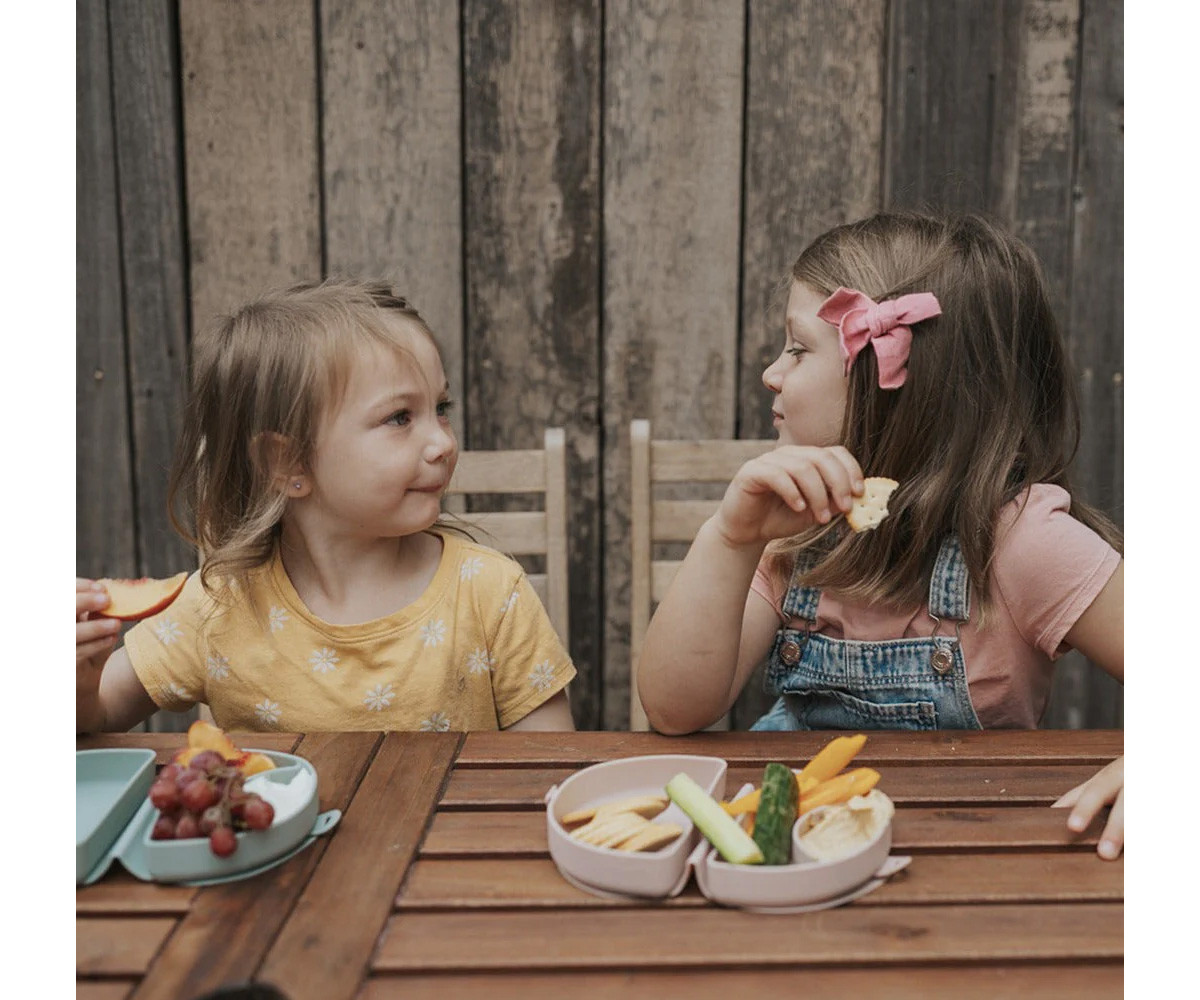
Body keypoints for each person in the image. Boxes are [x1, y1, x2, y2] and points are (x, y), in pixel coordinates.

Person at [636, 211, 1123, 859]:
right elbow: (674, 709)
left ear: (888, 381)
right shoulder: (794, 527)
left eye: (798, 348)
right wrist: (731, 540)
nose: (771, 375)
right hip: (796, 863)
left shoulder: (1020, 541)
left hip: (970, 872)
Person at [77, 278, 576, 734]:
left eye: (440, 409)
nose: (442, 442)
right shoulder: (218, 607)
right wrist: (78, 681)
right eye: (400, 417)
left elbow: (545, 769)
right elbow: (96, 716)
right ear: (286, 462)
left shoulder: (490, 594)